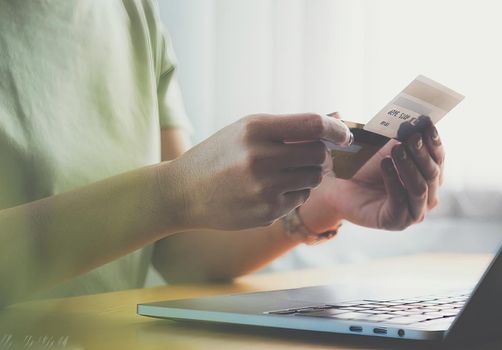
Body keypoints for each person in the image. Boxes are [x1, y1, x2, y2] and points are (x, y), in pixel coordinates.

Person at [0, 0, 445, 307]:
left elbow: (176, 251)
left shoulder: (132, 13)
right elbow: (168, 204)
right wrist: (174, 192)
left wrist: (323, 200)